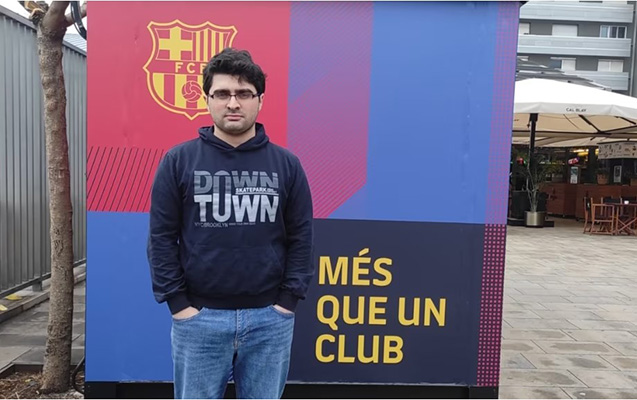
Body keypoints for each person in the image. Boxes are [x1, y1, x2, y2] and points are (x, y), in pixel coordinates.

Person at [147, 48, 314, 399]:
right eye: (222, 93)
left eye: (244, 94)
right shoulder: (178, 161)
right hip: (200, 320)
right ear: (207, 99)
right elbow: (161, 238)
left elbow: (301, 237)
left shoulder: (287, 165)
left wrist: (286, 302)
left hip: (270, 321)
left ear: (260, 100)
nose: (233, 103)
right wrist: (179, 305)